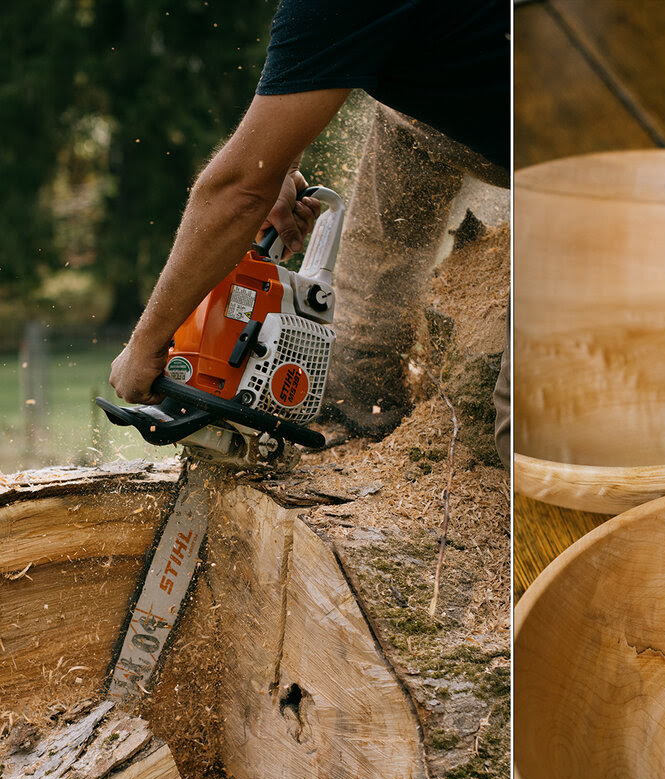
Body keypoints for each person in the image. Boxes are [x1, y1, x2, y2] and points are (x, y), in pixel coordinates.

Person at [110, 0, 510, 466]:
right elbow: (312, 70)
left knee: (525, 432)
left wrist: (145, 347)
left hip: (588, 140)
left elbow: (238, 191)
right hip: (499, 92)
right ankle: (361, 402)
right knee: (405, 119)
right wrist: (284, 162)